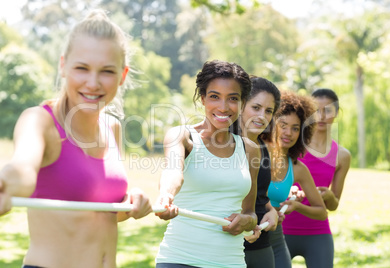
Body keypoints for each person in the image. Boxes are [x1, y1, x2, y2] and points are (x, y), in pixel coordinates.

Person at [0, 10, 153, 268]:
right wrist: (6, 183)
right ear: (63, 66)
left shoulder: (112, 128)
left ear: (122, 75)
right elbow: (22, 171)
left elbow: (98, 212)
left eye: (106, 71)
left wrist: (132, 202)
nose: (93, 83)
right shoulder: (40, 121)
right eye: (82, 68)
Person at [154, 59, 260, 268]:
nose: (223, 107)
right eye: (214, 97)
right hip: (179, 259)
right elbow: (173, 172)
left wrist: (248, 221)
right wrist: (166, 195)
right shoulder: (182, 136)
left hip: (231, 262)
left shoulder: (250, 149)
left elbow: (250, 211)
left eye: (232, 98)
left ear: (242, 102)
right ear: (202, 98)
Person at [283, 88, 351, 268]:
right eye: (315, 110)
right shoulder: (291, 146)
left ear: (337, 112)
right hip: (282, 229)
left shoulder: (342, 155)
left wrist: (329, 196)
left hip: (318, 232)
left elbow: (334, 205)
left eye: (327, 110)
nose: (321, 116)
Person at [265, 90, 328, 268]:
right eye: (283, 125)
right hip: (247, 238)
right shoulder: (254, 154)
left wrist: (296, 205)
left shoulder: (298, 168)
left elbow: (321, 212)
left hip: (276, 241)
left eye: (295, 128)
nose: (289, 133)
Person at [234, 76, 281, 268]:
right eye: (256, 107)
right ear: (241, 105)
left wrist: (272, 212)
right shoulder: (222, 145)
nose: (262, 116)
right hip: (228, 246)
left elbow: (259, 195)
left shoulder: (262, 147)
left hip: (261, 246)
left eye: (268, 111)